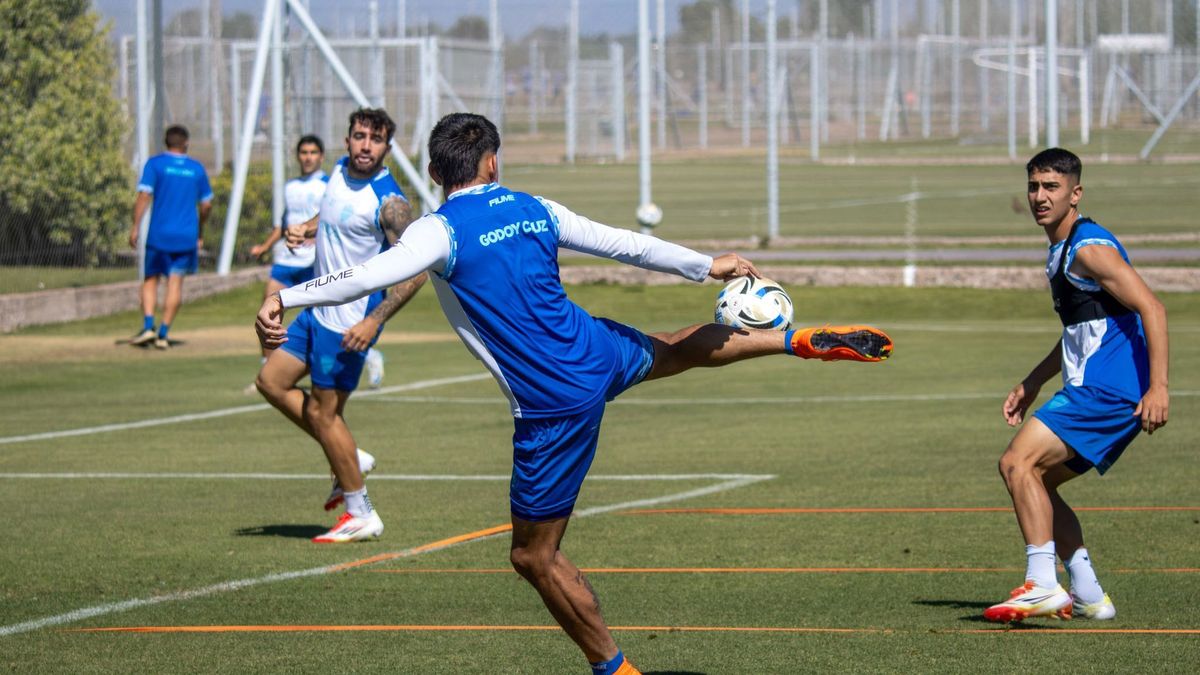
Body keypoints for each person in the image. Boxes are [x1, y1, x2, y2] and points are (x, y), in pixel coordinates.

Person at [256, 112, 892, 673]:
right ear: (492, 162)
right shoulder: (533, 206)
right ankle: (796, 339)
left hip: (551, 404)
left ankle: (613, 668)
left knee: (534, 557)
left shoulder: (437, 231)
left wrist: (283, 295)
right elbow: (625, 244)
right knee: (669, 346)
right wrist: (706, 264)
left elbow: (361, 276)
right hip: (593, 349)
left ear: (432, 169)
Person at [983, 148, 1169, 623]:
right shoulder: (1063, 250)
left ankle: (1043, 585)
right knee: (1039, 480)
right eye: (1034, 186)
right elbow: (1079, 331)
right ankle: (1088, 594)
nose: (1040, 197)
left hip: (1108, 392)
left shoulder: (1088, 248)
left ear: (1075, 193)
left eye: (1052, 187)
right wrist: (1032, 381)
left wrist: (1159, 389)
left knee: (1015, 463)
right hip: (1101, 389)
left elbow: (1153, 307)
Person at [253, 108, 427, 543]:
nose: (366, 145)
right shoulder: (336, 172)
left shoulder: (390, 203)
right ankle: (350, 453)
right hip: (317, 308)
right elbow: (333, 216)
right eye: (359, 136)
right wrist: (307, 229)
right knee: (270, 381)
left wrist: (373, 321)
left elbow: (415, 272)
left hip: (349, 321)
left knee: (323, 414)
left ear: (388, 147)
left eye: (376, 139)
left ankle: (360, 511)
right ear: (347, 139)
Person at [245, 136, 388, 393]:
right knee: (268, 314)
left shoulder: (329, 184)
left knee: (323, 322)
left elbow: (336, 217)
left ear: (321, 156)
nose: (308, 157)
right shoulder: (290, 187)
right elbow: (283, 223)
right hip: (286, 260)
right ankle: (267, 366)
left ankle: (368, 356)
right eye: (303, 152)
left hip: (316, 264)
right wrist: (266, 246)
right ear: (298, 156)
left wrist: (317, 234)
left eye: (313, 152)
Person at [129, 125, 213, 350]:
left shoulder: (155, 164)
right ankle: (163, 333)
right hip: (186, 236)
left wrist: (135, 226)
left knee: (151, 279)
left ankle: (148, 326)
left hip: (159, 235)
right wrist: (200, 228)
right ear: (186, 143)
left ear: (166, 142)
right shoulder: (196, 169)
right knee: (175, 283)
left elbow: (144, 195)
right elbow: (206, 204)